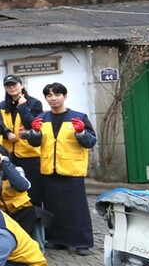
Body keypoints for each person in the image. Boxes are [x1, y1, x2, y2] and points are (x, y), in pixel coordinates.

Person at [25, 82, 97, 255]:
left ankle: (82, 242)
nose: (53, 98)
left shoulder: (78, 117)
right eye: (49, 95)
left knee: (76, 208)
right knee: (53, 207)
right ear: (46, 98)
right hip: (49, 169)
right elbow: (34, 143)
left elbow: (90, 142)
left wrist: (81, 133)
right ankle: (58, 240)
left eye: (57, 95)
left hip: (72, 170)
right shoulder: (42, 118)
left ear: (64, 96)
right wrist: (35, 132)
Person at [0, 144, 41, 245]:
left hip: (20, 211)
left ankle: (36, 248)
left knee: (34, 213)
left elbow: (22, 186)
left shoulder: (16, 170)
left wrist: (6, 164)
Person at [0, 75, 44, 206]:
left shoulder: (34, 103)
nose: (11, 88)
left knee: (33, 192)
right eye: (8, 85)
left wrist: (23, 107)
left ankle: (36, 216)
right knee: (12, 189)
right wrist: (7, 133)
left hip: (29, 153)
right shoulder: (2, 105)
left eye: (14, 84)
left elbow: (32, 124)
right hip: (9, 153)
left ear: (22, 85)